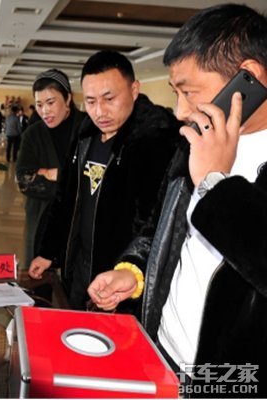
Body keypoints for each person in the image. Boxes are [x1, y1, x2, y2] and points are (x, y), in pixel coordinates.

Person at [87, 4, 267, 396]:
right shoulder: (194, 142)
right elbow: (162, 227)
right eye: (176, 93)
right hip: (161, 352)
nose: (181, 111)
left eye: (189, 92)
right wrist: (133, 273)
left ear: (249, 77)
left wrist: (216, 184)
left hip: (228, 381)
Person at [28, 51, 180, 311]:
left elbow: (155, 224)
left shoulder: (155, 140)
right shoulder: (86, 135)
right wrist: (49, 251)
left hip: (120, 278)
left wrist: (130, 270)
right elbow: (66, 197)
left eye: (109, 99)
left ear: (134, 90)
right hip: (79, 267)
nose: (99, 111)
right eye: (90, 101)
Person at [16, 69, 84, 268]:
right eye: (39, 104)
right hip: (42, 217)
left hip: (80, 220)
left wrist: (52, 174)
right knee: (40, 277)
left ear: (68, 98)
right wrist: (71, 181)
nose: (44, 111)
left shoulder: (87, 127)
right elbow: (24, 180)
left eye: (51, 102)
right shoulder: (33, 134)